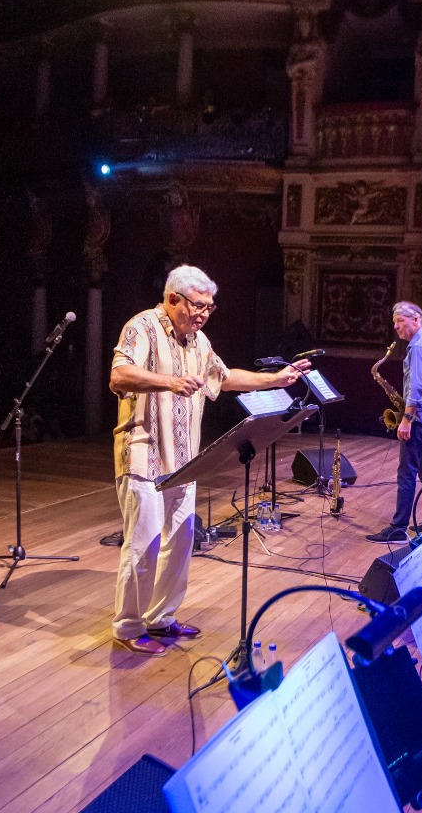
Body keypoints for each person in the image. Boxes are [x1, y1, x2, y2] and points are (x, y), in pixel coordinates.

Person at [108, 265, 309, 655]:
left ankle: (161, 617)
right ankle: (128, 626)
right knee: (143, 545)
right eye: (197, 306)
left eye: (209, 307)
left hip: (185, 460)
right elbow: (119, 376)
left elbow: (224, 377)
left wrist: (276, 379)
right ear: (173, 300)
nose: (202, 314)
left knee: (181, 541)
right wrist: (167, 381)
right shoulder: (142, 327)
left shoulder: (199, 341)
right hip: (144, 456)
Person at [366, 301, 422, 544]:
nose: (396, 326)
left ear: (416, 320)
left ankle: (398, 528)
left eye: (400, 321)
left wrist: (406, 419)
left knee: (407, 473)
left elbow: (417, 387)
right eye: (394, 322)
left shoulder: (419, 346)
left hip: (420, 420)